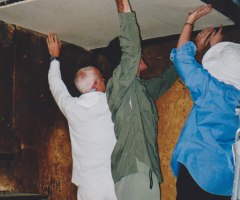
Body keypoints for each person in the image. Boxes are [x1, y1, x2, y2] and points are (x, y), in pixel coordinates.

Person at [105, 0, 179, 199]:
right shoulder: (119, 85)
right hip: (135, 170)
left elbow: (166, 79)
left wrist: (193, 47)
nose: (142, 54)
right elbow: (132, 49)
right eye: (137, 54)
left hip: (144, 171)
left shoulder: (140, 90)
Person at [170, 4, 240, 200]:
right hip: (227, 182)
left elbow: (183, 58)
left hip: (198, 171)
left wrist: (189, 21)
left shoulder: (212, 90)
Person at [47, 33, 117, 200]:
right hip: (114, 181)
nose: (104, 80)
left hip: (88, 185)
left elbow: (56, 86)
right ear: (95, 85)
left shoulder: (72, 108)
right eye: (101, 78)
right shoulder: (111, 102)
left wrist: (54, 57)